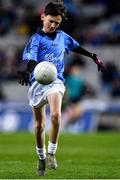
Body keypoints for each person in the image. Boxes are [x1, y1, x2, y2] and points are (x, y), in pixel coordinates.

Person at [17, 2, 106, 176]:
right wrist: (28, 72)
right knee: (39, 126)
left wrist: (93, 56)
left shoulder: (62, 36)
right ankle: (41, 157)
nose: (53, 25)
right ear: (43, 17)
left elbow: (76, 47)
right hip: (37, 83)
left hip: (56, 80)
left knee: (56, 115)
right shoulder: (36, 39)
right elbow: (32, 58)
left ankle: (51, 153)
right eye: (50, 21)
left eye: (57, 23)